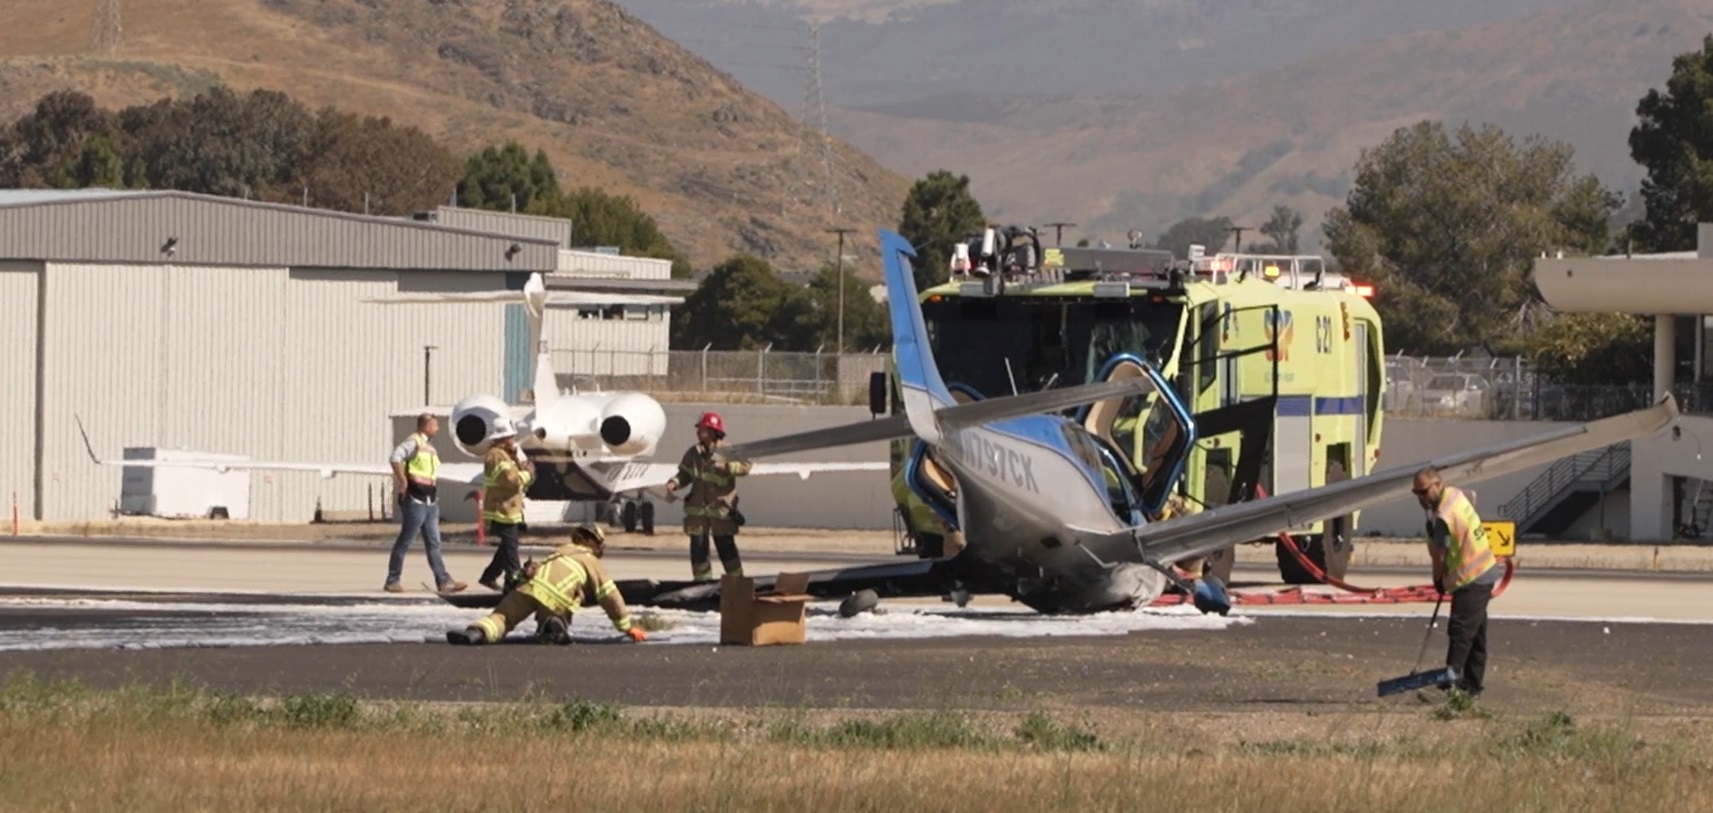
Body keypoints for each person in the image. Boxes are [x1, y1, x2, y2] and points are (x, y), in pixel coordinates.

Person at [447, 523, 647, 645]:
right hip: (557, 598)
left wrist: (519, 578)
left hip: (530, 587)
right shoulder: (591, 562)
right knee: (554, 618)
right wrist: (627, 627)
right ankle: (553, 624)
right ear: (595, 543)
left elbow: (533, 572)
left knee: (502, 617)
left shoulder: (559, 551)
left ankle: (476, 633)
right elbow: (610, 595)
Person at [1414, 466, 1501, 700]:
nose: (1421, 498)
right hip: (1483, 571)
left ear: (1438, 485)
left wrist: (1438, 580)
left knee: (1461, 630)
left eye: (1423, 492)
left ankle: (1453, 683)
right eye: (1417, 494)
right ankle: (1471, 687)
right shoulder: (1455, 495)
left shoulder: (1443, 515)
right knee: (1476, 634)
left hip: (1473, 577)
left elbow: (1440, 555)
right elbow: (1471, 498)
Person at [664, 411, 752, 581]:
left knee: (725, 547)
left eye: (702, 429)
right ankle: (702, 583)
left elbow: (746, 466)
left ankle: (736, 583)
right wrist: (675, 482)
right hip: (698, 511)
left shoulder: (727, 450)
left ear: (713, 431)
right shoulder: (693, 453)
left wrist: (728, 468)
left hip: (720, 510)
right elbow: (685, 473)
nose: (698, 432)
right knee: (698, 548)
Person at [383, 414, 466, 594]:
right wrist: (403, 482)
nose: (438, 429)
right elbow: (395, 457)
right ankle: (392, 580)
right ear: (426, 426)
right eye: (435, 426)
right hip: (415, 499)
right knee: (405, 540)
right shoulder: (414, 442)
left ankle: (444, 581)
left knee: (434, 542)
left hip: (429, 501)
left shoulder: (428, 447)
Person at [477, 417, 534, 592]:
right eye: (511, 436)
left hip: (510, 510)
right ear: (503, 437)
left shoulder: (506, 454)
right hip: (501, 511)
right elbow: (511, 480)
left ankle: (489, 576)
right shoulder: (496, 455)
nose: (513, 439)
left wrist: (520, 463)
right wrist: (529, 474)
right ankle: (513, 583)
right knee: (511, 551)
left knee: (508, 547)